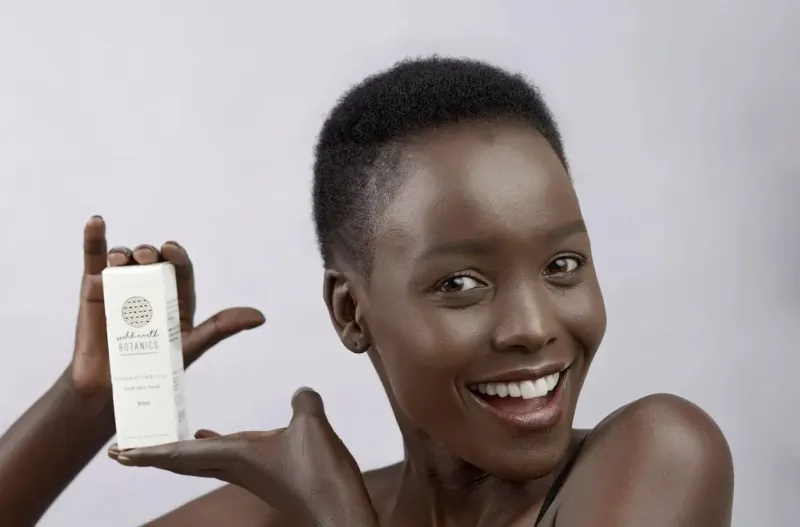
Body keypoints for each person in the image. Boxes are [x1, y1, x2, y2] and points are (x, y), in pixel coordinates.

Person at [0, 57, 734, 526]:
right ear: (351, 312)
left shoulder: (661, 456)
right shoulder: (270, 516)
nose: (533, 325)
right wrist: (84, 404)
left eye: (563, 265)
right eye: (462, 283)